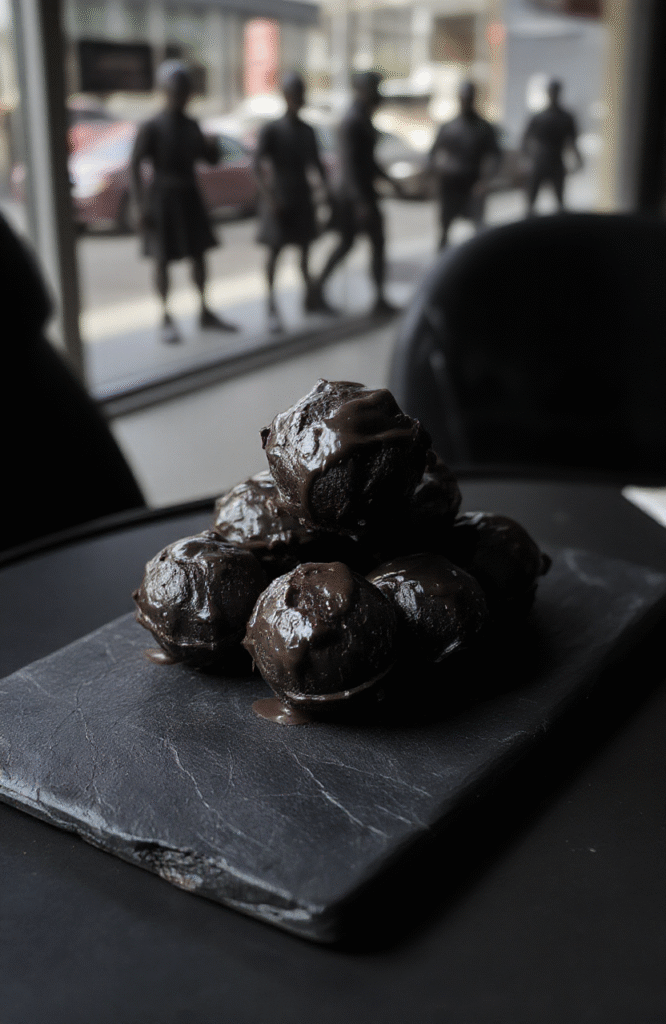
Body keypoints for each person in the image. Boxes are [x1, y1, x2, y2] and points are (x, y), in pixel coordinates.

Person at [131, 61, 237, 344]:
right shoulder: (152, 125)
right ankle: (165, 315)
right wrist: (140, 206)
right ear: (166, 91)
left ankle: (204, 309)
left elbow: (208, 159)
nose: (181, 96)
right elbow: (134, 165)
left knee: (199, 255)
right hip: (164, 197)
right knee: (162, 260)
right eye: (176, 91)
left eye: (185, 91)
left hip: (189, 195)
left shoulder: (191, 124)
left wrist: (214, 145)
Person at [312, 70, 406, 317]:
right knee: (350, 242)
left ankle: (377, 296)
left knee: (365, 243)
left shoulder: (362, 118)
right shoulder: (352, 121)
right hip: (352, 195)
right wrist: (361, 202)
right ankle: (317, 290)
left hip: (360, 193)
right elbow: (351, 166)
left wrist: (389, 181)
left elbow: (368, 161)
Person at [253, 72, 332, 333]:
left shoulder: (307, 131)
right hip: (280, 196)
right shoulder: (272, 129)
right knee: (275, 254)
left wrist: (325, 196)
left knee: (305, 254)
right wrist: (269, 197)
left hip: (300, 196)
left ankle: (309, 298)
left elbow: (317, 167)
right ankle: (271, 305)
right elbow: (256, 166)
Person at [428, 80, 501, 250]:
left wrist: (485, 182)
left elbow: (496, 156)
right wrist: (434, 176)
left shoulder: (483, 128)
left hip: (472, 183)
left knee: (477, 229)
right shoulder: (448, 127)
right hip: (450, 185)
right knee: (445, 229)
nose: (465, 101)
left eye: (469, 98)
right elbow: (432, 154)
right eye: (463, 98)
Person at [521, 78, 583, 216]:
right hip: (540, 161)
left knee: (560, 202)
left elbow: (572, 141)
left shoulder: (566, 117)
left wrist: (579, 159)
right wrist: (526, 160)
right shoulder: (539, 117)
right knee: (531, 203)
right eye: (552, 91)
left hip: (556, 161)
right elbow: (525, 140)